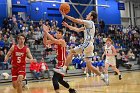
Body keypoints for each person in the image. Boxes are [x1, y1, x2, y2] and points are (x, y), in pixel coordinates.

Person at [54, 10, 107, 84]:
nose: (86, 15)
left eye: (88, 14)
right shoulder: (89, 25)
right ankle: (103, 77)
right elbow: (78, 30)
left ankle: (63, 69)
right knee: (89, 66)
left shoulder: (89, 22)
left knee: (71, 51)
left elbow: (76, 20)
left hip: (87, 43)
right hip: (90, 45)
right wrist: (68, 26)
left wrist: (65, 15)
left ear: (91, 17)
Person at [43, 25, 76, 93]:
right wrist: (45, 34)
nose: (57, 34)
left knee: (54, 78)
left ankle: (58, 91)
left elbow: (54, 40)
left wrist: (46, 31)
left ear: (62, 35)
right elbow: (45, 42)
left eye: (59, 33)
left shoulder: (62, 41)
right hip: (59, 62)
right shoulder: (56, 41)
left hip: (63, 62)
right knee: (60, 80)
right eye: (57, 33)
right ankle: (71, 89)